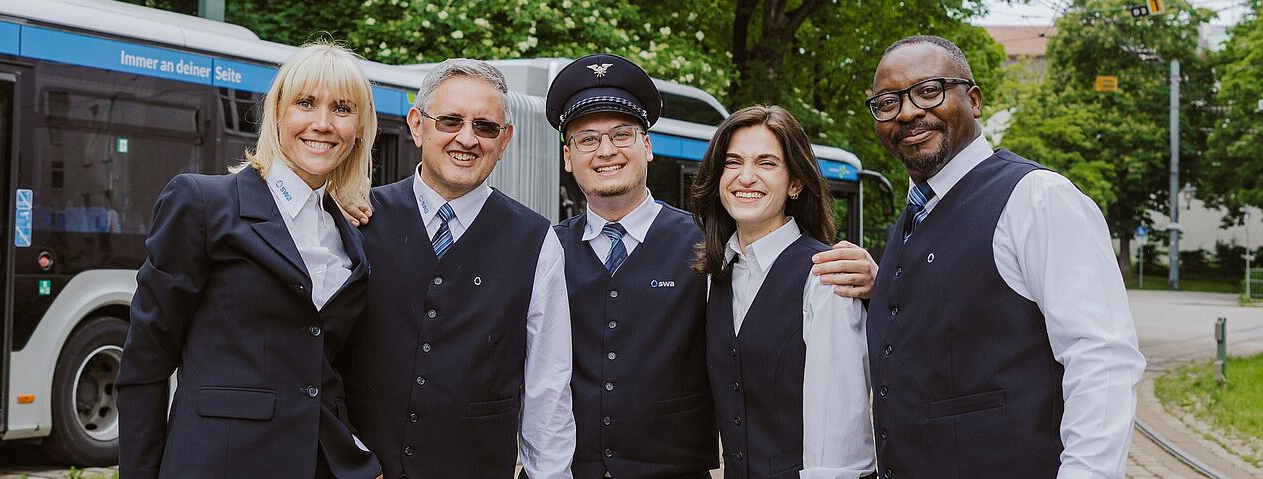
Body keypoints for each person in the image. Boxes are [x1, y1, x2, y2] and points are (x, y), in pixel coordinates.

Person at [545, 54, 880, 479]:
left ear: (647, 146)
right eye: (587, 139)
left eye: (622, 135)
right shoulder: (547, 251)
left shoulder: (708, 249)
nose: (606, 150)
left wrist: (873, 283)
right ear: (568, 157)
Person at [864, 35, 1145, 478]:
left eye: (929, 90)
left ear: (973, 100)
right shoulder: (913, 217)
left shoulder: (1038, 198)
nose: (908, 111)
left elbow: (1101, 360)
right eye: (887, 102)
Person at [117, 41, 382, 479]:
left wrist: (354, 456)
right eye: (305, 103)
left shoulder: (349, 232)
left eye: (342, 109)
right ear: (277, 112)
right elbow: (146, 361)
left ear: (359, 128)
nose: (322, 122)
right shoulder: (202, 203)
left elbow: (323, 368)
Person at [338, 59, 575, 478]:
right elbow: (318, 363)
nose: (466, 138)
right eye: (450, 121)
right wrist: (351, 458)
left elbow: (548, 389)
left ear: (505, 141)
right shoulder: (356, 219)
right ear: (417, 125)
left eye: (485, 127)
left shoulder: (537, 242)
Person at [691, 105, 875, 479]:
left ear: (795, 183)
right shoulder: (715, 276)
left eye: (766, 163)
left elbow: (840, 428)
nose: (746, 177)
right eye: (733, 162)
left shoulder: (824, 276)